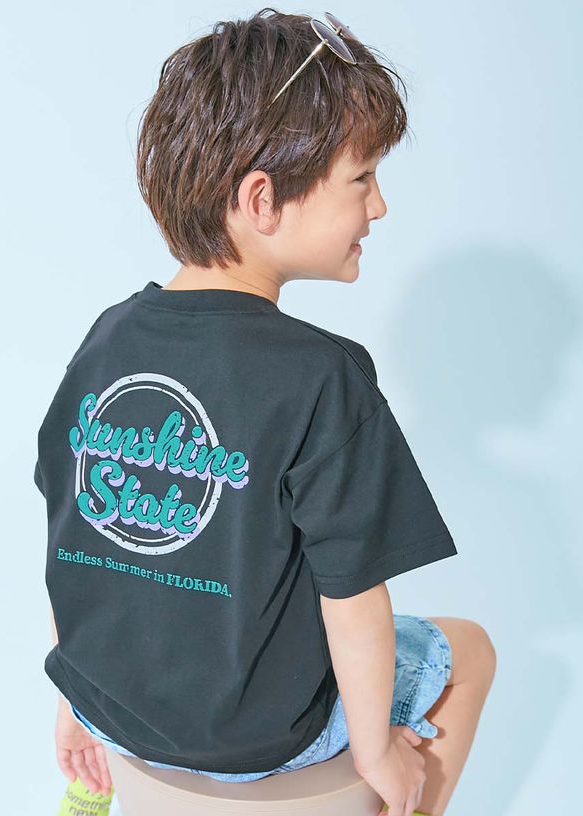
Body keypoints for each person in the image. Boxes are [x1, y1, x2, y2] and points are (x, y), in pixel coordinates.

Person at [34, 8, 496, 816]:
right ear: (263, 199)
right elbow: (353, 600)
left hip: (113, 710)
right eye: (362, 178)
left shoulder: (107, 339)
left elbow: (73, 540)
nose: (380, 206)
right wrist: (377, 749)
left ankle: (97, 790)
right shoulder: (322, 375)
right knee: (470, 649)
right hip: (261, 740)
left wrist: (77, 700)